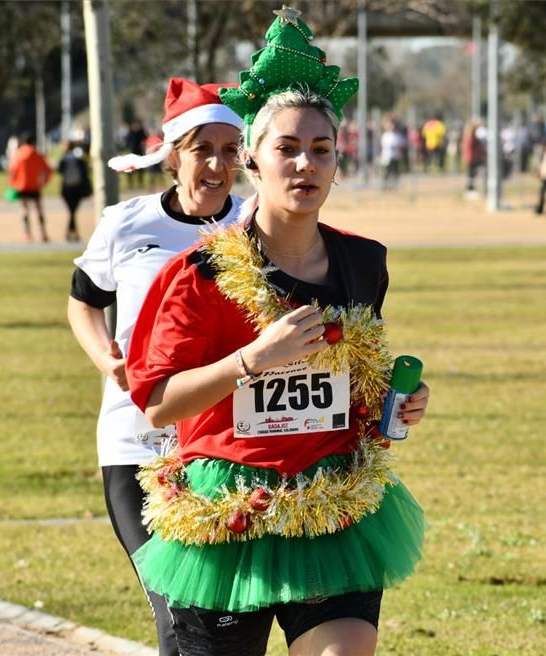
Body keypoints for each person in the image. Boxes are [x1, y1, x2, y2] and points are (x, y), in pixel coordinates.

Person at [126, 11, 429, 655]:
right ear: (252, 163)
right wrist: (251, 360)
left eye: (321, 150)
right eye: (286, 149)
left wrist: (392, 407)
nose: (304, 165)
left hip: (331, 503)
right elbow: (157, 401)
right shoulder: (200, 274)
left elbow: (351, 381)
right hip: (227, 513)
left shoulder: (363, 262)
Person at [68, 78, 245, 656]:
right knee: (179, 613)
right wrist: (106, 358)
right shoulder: (127, 223)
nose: (217, 165)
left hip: (226, 445)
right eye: (202, 150)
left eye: (230, 150)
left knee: (225, 619)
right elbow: (83, 302)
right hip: (137, 442)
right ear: (173, 156)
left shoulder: (257, 225)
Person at [8, 133, 52, 242]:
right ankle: (43, 233)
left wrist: (12, 183)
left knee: (24, 210)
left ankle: (27, 234)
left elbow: (13, 170)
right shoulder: (38, 155)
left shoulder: (19, 155)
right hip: (35, 186)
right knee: (39, 210)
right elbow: (48, 170)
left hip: (22, 186)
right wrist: (44, 182)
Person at [56, 141, 92, 242]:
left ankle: (70, 233)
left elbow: (59, 170)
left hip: (69, 188)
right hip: (75, 188)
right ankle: (73, 234)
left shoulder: (65, 158)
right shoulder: (78, 158)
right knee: (72, 212)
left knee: (72, 212)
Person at [379, 115, 404, 189]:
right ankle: (385, 185)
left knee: (396, 171)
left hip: (396, 156)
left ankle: (395, 184)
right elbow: (384, 145)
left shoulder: (397, 135)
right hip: (387, 156)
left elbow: (401, 143)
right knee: (386, 171)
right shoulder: (385, 135)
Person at [462, 118, 485, 197]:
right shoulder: (471, 136)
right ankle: (470, 190)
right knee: (471, 175)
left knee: (472, 174)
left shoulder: (469, 135)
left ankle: (471, 189)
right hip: (473, 158)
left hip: (471, 157)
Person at [124, 119, 148, 190]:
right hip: (132, 153)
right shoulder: (130, 132)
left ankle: (140, 182)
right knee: (130, 169)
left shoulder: (141, 132)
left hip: (139, 153)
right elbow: (127, 141)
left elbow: (146, 139)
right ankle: (130, 183)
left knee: (140, 168)